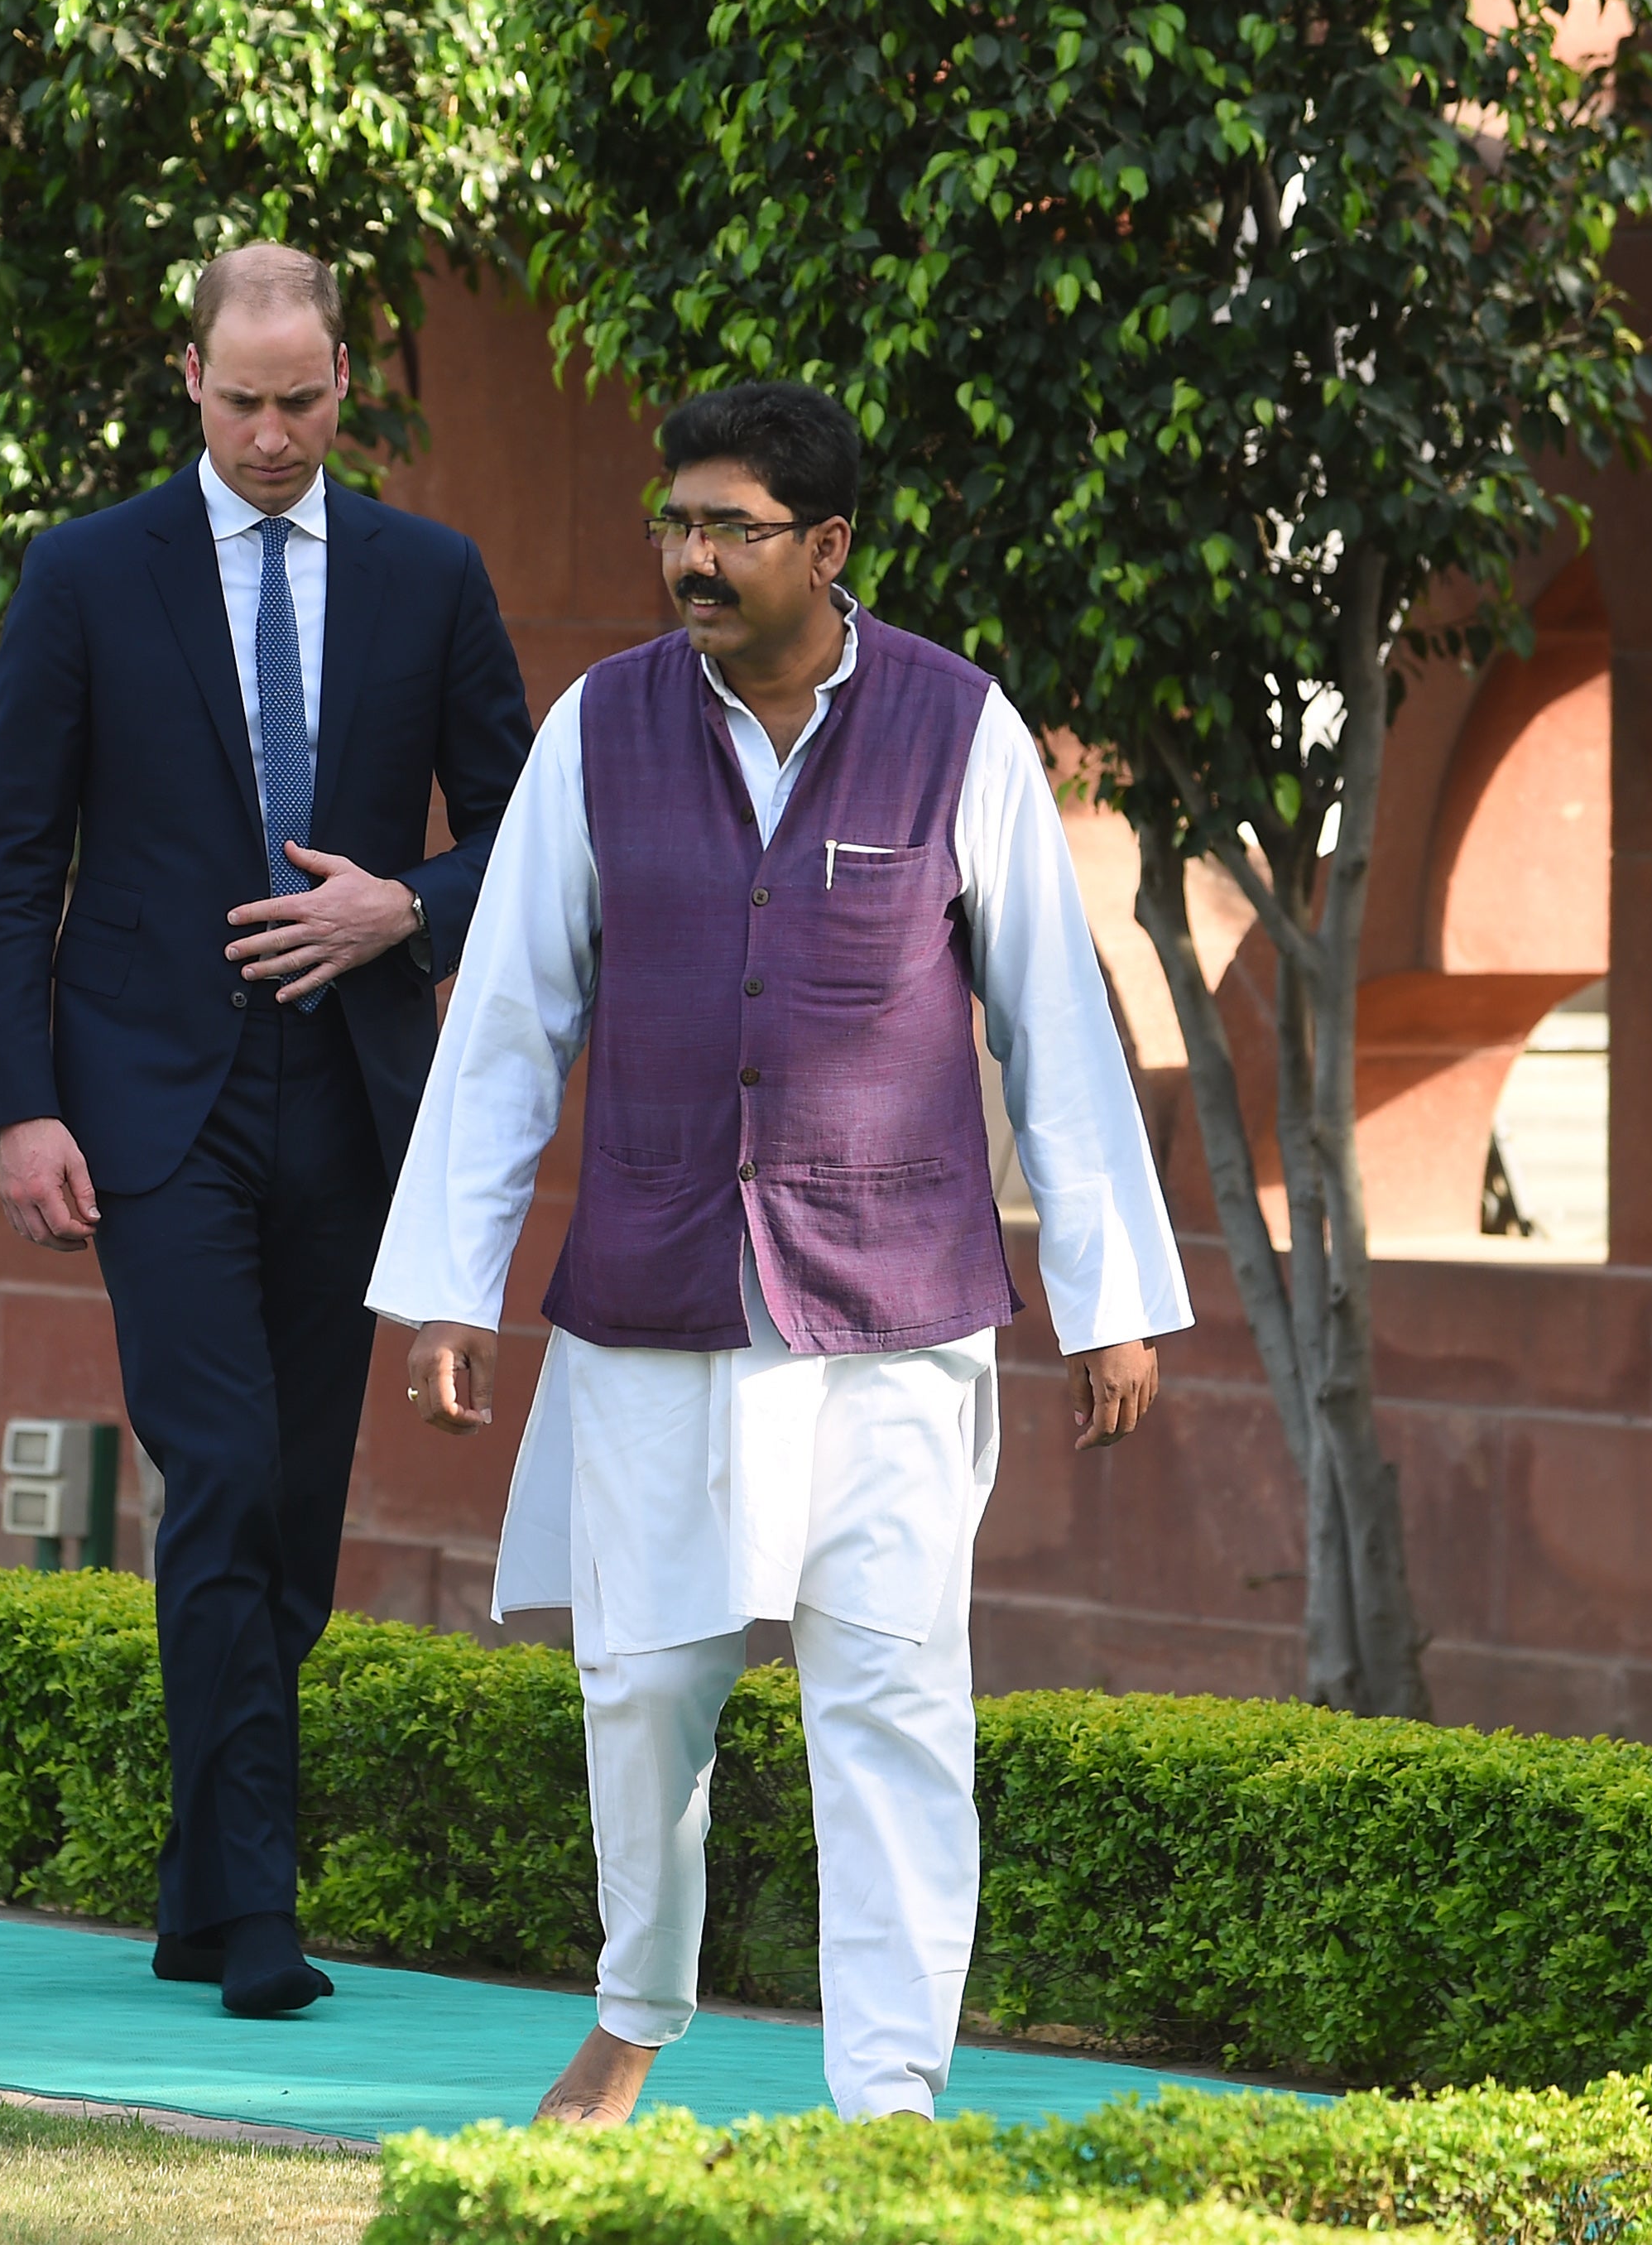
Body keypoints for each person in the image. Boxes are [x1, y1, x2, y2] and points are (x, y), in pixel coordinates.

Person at [369, 381, 1192, 2123]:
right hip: (658, 1292)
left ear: (826, 547)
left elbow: (1053, 1018)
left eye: (730, 527)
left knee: (888, 1696)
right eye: (676, 522)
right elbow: (509, 1011)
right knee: (647, 1682)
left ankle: (886, 2099)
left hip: (891, 1308)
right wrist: (447, 1273)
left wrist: (1110, 1304)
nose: (689, 556)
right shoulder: (598, 727)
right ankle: (632, 2009)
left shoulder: (954, 727)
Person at [0, 246, 534, 2018]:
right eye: (241, 401)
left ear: (344, 383)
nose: (272, 435)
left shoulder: (429, 577)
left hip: (353, 1092)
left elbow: (521, 834)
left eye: (301, 401)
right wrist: (22, 1102)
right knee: (211, 1473)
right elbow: (5, 856)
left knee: (291, 1502)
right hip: (149, 1102)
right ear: (186, 379)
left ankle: (198, 1880)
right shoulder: (81, 573)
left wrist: (400, 909)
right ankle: (260, 1918)